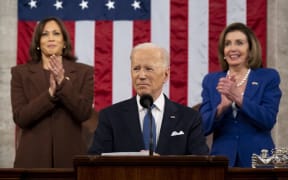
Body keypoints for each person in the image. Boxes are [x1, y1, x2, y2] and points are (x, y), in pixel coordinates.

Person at [88, 42, 209, 155]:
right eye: (136, 69)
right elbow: (95, 163)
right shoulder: (110, 117)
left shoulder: (189, 118)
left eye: (148, 69)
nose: (141, 76)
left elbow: (201, 165)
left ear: (166, 75)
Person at [10, 17, 94, 168]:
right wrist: (49, 94)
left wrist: (63, 83)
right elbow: (21, 118)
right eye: (45, 34)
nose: (50, 38)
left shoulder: (84, 72)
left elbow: (84, 113)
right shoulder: (20, 74)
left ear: (64, 42)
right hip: (32, 161)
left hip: (71, 161)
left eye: (56, 33)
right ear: (38, 43)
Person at [199, 22, 282, 167]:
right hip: (222, 161)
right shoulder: (211, 81)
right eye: (227, 44)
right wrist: (221, 107)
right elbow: (202, 127)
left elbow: (268, 120)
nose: (232, 48)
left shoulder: (267, 77)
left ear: (250, 49)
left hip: (258, 161)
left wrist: (239, 98)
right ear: (223, 51)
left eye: (239, 43)